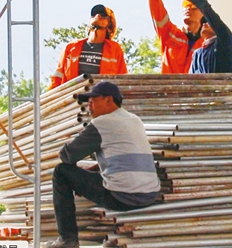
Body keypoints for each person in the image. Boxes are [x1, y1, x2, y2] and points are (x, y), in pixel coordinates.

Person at [49, 81, 161, 248]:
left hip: (122, 197)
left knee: (61, 172)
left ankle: (68, 240)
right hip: (150, 194)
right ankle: (115, 239)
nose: (89, 105)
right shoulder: (135, 120)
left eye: (94, 99)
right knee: (108, 178)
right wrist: (89, 172)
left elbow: (67, 156)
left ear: (109, 100)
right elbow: (122, 160)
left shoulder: (102, 123)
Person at [49, 4, 127, 89]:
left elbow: (123, 81)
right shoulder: (71, 47)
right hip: (74, 99)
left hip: (101, 100)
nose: (97, 16)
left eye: (103, 15)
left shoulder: (114, 49)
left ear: (110, 26)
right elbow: (57, 79)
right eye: (94, 14)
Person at [172, 0, 232, 74]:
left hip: (223, 88)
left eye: (208, 22)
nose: (205, 24)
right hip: (203, 89)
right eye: (203, 23)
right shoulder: (197, 54)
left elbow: (207, 10)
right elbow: (191, 81)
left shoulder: (224, 41)